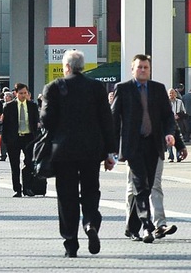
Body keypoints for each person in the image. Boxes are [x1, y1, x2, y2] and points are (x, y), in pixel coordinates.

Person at [40, 50, 117, 258]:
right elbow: (106, 121)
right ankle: (90, 222)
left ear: (66, 67)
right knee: (91, 190)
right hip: (92, 150)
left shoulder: (54, 87)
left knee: (67, 196)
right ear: (82, 66)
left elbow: (46, 120)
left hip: (63, 151)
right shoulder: (96, 87)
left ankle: (70, 243)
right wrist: (111, 152)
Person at [112, 54, 176, 244]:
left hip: (153, 144)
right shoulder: (123, 89)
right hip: (133, 145)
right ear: (132, 69)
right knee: (141, 184)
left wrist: (170, 134)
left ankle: (131, 229)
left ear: (149, 69)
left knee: (145, 187)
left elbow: (167, 117)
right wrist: (112, 148)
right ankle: (147, 225)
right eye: (139, 67)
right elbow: (114, 119)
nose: (142, 70)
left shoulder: (158, 89)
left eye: (145, 67)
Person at [125, 124, 187, 241]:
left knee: (155, 185)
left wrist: (179, 144)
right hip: (133, 148)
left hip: (155, 148)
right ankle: (132, 226)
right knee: (134, 187)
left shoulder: (160, 104)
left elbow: (169, 120)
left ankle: (160, 225)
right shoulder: (131, 104)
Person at [0, 82, 39, 197]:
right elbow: (4, 125)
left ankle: (28, 187)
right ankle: (17, 189)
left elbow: (36, 122)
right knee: (14, 165)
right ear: (15, 93)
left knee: (29, 163)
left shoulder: (32, 106)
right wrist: (5, 140)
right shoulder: (8, 106)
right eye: (21, 93)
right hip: (14, 139)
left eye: (25, 93)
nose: (23, 95)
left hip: (28, 138)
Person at [167, 88, 186, 162]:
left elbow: (184, 112)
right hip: (168, 123)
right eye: (170, 93)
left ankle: (178, 156)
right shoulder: (165, 102)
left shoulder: (179, 102)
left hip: (178, 122)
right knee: (169, 139)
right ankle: (171, 156)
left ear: (175, 94)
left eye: (173, 93)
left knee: (178, 139)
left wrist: (178, 115)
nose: (171, 95)